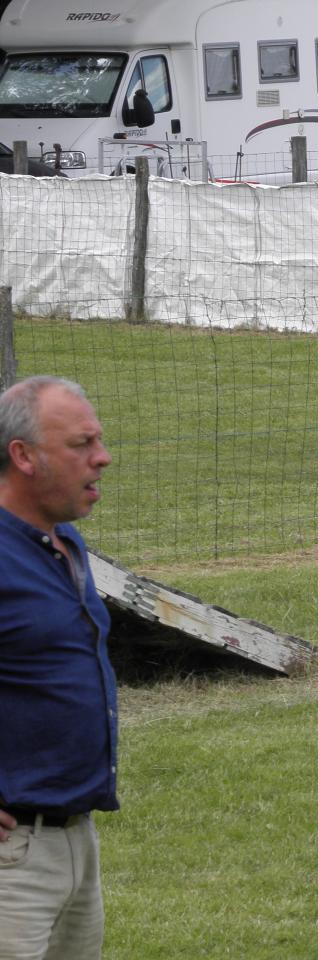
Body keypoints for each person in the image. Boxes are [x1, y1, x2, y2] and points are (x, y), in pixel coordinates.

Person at [0, 376, 117, 960]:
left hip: (75, 841)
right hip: (11, 856)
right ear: (23, 455)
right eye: (81, 444)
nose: (103, 457)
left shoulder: (63, 542)